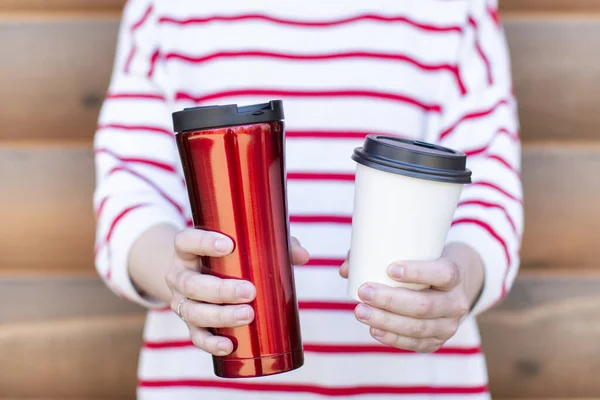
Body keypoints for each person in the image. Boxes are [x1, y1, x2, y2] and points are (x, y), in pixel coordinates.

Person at [94, 0, 523, 398]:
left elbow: (490, 195)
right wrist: (180, 277)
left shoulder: (453, 11)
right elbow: (128, 194)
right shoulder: (166, 10)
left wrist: (458, 283)